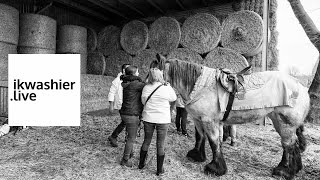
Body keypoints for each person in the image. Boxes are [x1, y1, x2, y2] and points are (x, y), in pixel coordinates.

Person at [138, 68, 177, 176]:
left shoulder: (146, 87)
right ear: (160, 76)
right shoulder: (166, 87)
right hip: (163, 119)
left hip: (148, 118)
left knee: (146, 141)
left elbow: (143, 101)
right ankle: (159, 170)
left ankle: (141, 164)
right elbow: (174, 98)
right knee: (160, 144)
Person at [119, 66, 145, 167]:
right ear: (134, 74)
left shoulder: (126, 82)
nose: (139, 73)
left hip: (124, 112)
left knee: (128, 134)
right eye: (137, 72)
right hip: (132, 114)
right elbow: (148, 86)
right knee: (131, 138)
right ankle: (125, 159)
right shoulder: (136, 84)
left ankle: (129, 153)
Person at [108, 63, 130, 147]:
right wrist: (111, 105)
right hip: (121, 105)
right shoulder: (117, 81)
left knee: (125, 122)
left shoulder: (128, 79)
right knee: (126, 121)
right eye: (128, 69)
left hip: (127, 104)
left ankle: (121, 138)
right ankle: (114, 136)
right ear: (124, 70)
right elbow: (111, 93)